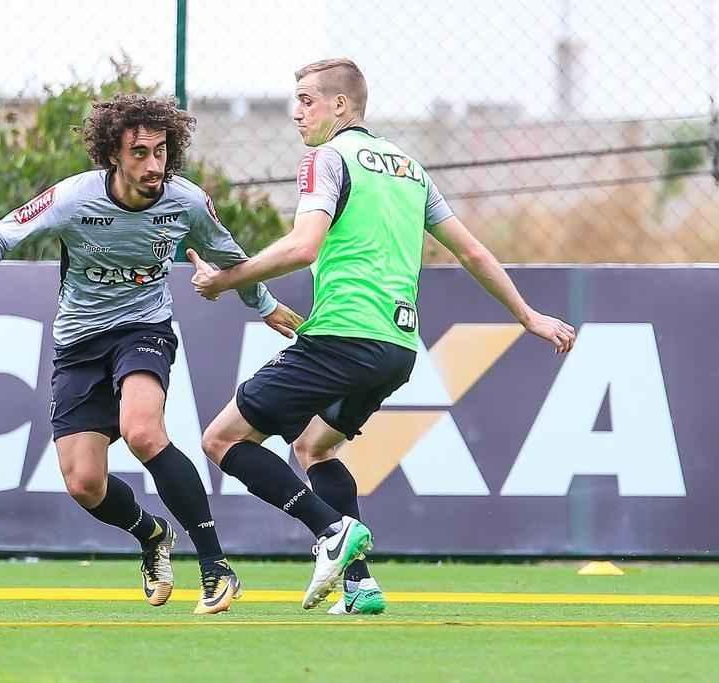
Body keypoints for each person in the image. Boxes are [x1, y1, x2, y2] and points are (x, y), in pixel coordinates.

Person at [189, 58, 577, 612]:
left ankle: (329, 530)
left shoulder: (327, 158)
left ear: (340, 105)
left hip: (340, 337)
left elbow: (303, 246)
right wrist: (528, 316)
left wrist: (227, 280)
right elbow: (470, 250)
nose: (296, 113)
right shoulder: (409, 168)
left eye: (306, 100)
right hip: (397, 348)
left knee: (221, 440)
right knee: (314, 447)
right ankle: (359, 585)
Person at [0, 94, 303, 615]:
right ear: (113, 154)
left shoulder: (186, 202)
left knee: (142, 432)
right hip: (77, 345)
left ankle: (215, 566)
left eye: (161, 151)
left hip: (143, 329)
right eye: (140, 152)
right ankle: (151, 534)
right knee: (84, 482)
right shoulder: (73, 199)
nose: (153, 164)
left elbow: (230, 257)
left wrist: (264, 305)